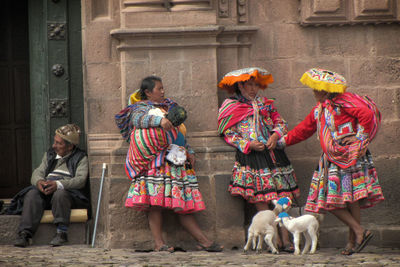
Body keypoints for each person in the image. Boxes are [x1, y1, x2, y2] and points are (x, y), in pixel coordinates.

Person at [280, 68, 384, 255]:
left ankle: (354, 239)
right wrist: (281, 141)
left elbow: (366, 116)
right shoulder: (320, 110)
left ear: (325, 90)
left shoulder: (343, 104)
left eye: (316, 89)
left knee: (339, 200)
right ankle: (358, 235)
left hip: (348, 158)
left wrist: (359, 139)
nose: (314, 92)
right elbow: (304, 130)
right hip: (333, 160)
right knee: (345, 200)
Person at [115, 76, 223, 252]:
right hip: (154, 164)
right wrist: (159, 121)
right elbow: (138, 121)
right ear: (148, 92)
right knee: (155, 204)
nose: (163, 91)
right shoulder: (139, 108)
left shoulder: (170, 109)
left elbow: (178, 134)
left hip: (174, 163)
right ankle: (159, 244)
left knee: (182, 203)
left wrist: (190, 151)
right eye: (159, 89)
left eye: (163, 88)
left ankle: (204, 241)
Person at [217, 67, 300, 252]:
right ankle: (274, 238)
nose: (253, 89)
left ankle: (285, 239)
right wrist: (248, 144)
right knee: (261, 198)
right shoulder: (231, 105)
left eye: (256, 85)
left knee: (282, 199)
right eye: (249, 85)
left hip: (273, 155)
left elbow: (281, 123)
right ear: (240, 85)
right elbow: (227, 132)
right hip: (252, 156)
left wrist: (274, 136)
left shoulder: (266, 104)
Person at [13, 124, 90, 247]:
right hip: (47, 190)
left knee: (60, 194)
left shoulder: (80, 158)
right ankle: (24, 234)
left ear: (70, 146)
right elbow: (38, 172)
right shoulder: (50, 155)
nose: (54, 146)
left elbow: (80, 180)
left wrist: (58, 184)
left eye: (59, 143)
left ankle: (61, 233)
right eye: (54, 142)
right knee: (32, 194)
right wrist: (39, 182)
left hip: (68, 194)